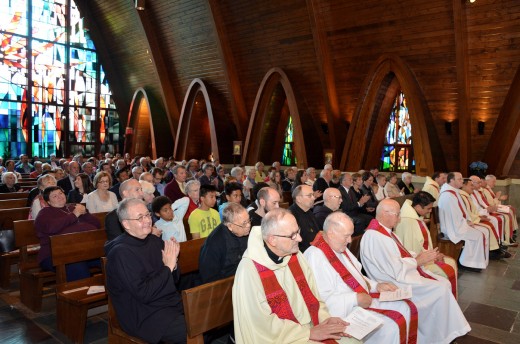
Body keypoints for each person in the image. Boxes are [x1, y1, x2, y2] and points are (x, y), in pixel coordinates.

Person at [232, 208, 355, 343]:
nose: (300, 238)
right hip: (281, 338)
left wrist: (325, 320)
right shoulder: (250, 271)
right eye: (293, 235)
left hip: (308, 328)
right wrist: (307, 333)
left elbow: (314, 297)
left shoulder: (295, 256)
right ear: (272, 240)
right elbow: (260, 325)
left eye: (298, 231)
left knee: (354, 339)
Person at [360, 199, 471, 343]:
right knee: (440, 288)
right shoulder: (375, 236)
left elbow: (402, 253)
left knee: (442, 283)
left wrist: (423, 256)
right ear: (384, 213)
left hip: (401, 275)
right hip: (392, 282)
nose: (399, 219)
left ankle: (440, 333)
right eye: (397, 214)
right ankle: (435, 335)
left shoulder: (385, 232)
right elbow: (393, 269)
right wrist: (418, 261)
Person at [305, 212, 413, 344]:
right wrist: (355, 299)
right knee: (391, 326)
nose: (350, 240)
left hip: (358, 301)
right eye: (347, 236)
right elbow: (321, 300)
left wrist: (376, 286)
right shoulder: (315, 256)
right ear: (331, 233)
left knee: (405, 306)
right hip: (344, 312)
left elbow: (356, 275)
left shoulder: (339, 246)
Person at [105, 198, 186, 344]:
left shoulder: (154, 241)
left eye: (147, 215)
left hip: (167, 304)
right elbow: (144, 293)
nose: (147, 220)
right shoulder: (121, 253)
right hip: (143, 314)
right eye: (140, 218)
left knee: (208, 320)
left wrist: (173, 266)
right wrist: (168, 267)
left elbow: (174, 280)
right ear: (126, 224)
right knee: (192, 330)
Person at [395, 192, 459, 296]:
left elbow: (421, 243)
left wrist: (434, 255)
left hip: (424, 257)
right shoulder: (408, 221)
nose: (430, 212)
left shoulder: (413, 215)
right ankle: (442, 299)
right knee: (448, 268)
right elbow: (411, 250)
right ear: (418, 206)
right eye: (428, 209)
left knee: (451, 262)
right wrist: (433, 257)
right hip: (417, 264)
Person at [35, 186, 101, 281]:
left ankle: (116, 291)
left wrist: (85, 213)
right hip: (54, 255)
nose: (59, 196)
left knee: (112, 258)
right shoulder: (44, 213)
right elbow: (52, 228)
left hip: (84, 251)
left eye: (60, 193)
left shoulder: (72, 207)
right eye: (54, 196)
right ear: (48, 202)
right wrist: (74, 215)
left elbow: (97, 224)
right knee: (77, 266)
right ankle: (80, 293)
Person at [438, 172, 490, 271]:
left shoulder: (453, 192)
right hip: (451, 228)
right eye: (459, 179)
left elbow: (460, 212)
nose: (462, 181)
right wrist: (466, 223)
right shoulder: (448, 196)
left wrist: (467, 221)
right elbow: (453, 217)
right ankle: (468, 263)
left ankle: (472, 261)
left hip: (457, 225)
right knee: (478, 235)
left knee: (479, 233)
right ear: (452, 180)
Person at [199, 202, 250, 283]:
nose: (248, 226)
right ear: (230, 226)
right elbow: (209, 277)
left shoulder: (244, 232)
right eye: (244, 223)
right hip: (224, 285)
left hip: (243, 278)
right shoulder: (215, 243)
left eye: (248, 221)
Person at [288, 184, 320, 252]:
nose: (313, 198)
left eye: (313, 195)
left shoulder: (309, 212)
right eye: (309, 196)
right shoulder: (290, 216)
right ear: (298, 199)